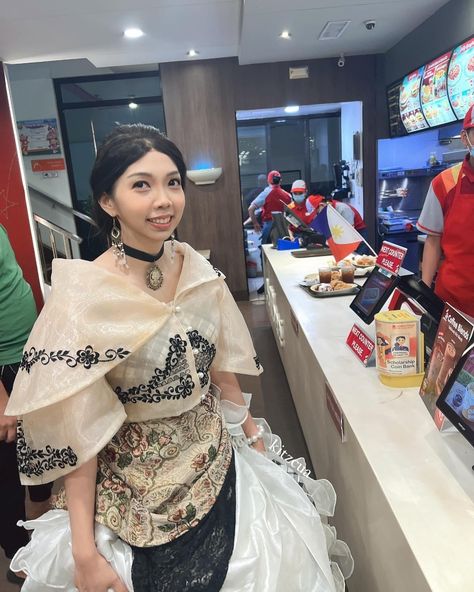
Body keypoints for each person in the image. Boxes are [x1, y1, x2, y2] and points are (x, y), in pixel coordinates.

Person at [6, 124, 352, 592]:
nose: (164, 199)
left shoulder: (192, 263)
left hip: (216, 454)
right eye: (141, 185)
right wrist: (83, 551)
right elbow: (78, 431)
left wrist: (251, 434)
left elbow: (216, 364)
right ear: (108, 201)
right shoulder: (85, 296)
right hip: (134, 492)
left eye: (172, 182)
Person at [0, 224, 53, 586]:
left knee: (39, 453)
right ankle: (17, 553)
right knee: (6, 468)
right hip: (4, 367)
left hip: (25, 356)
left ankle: (39, 532)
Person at [417, 104, 474, 318]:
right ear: (464, 137)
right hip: (453, 303)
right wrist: (422, 295)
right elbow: (433, 241)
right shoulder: (444, 183)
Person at [248, 170, 291, 244]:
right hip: (284, 227)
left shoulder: (266, 193)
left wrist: (255, 223)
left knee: (267, 251)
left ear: (268, 181)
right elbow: (292, 214)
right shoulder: (288, 195)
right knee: (284, 251)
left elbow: (250, 209)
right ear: (280, 181)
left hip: (269, 227)